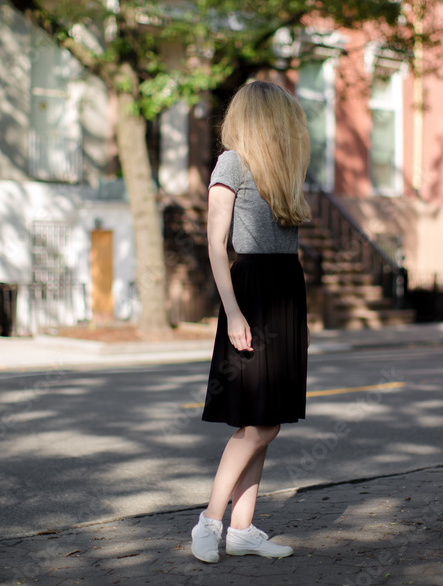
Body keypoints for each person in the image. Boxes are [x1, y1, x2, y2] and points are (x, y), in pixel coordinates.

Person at [190, 80, 311, 563]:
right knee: (255, 425)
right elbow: (217, 245)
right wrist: (235, 311)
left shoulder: (281, 169)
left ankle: (241, 529)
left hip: (286, 290)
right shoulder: (231, 162)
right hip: (253, 292)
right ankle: (209, 521)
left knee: (270, 421)